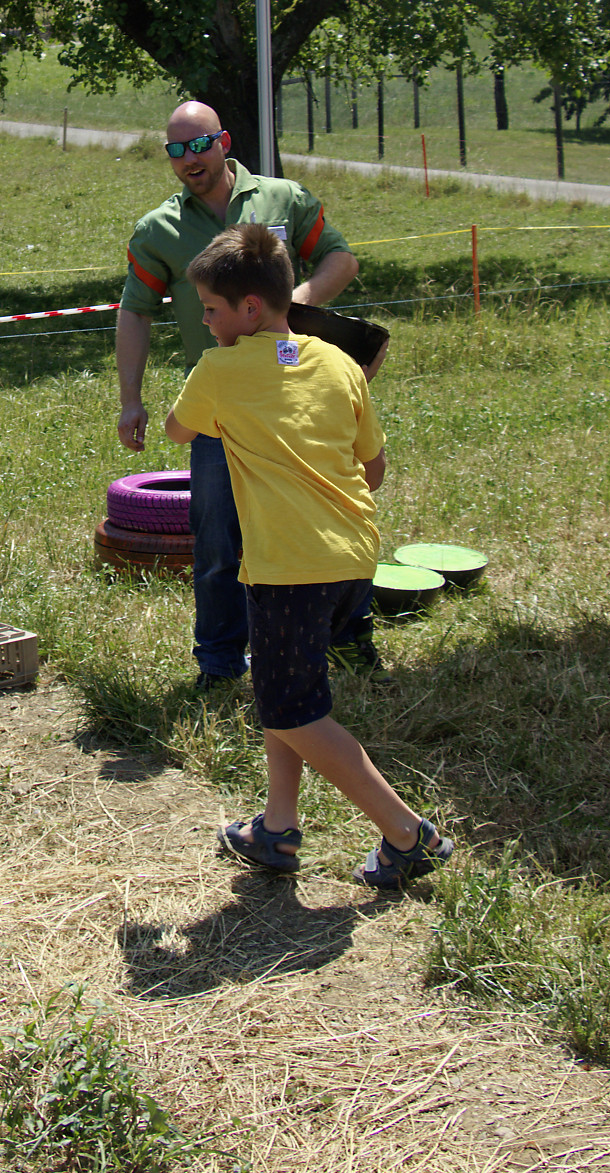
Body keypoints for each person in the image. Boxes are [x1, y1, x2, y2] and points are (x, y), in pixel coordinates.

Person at [164, 223, 452, 889]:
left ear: (250, 308)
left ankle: (408, 834)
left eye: (210, 309)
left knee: (293, 709)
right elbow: (373, 467)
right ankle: (278, 827)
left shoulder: (217, 370)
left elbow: (179, 430)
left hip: (289, 567)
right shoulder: (339, 364)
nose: (205, 322)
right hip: (353, 558)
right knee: (282, 685)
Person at [117, 99, 379, 686]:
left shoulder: (284, 198)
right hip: (222, 406)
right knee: (217, 541)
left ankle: (344, 640)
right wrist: (131, 398)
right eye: (175, 150)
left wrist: (294, 303)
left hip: (299, 393)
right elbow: (135, 311)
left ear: (225, 142)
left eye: (199, 145)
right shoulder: (158, 229)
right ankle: (219, 662)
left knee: (325, 517)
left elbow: (341, 258)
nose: (189, 159)